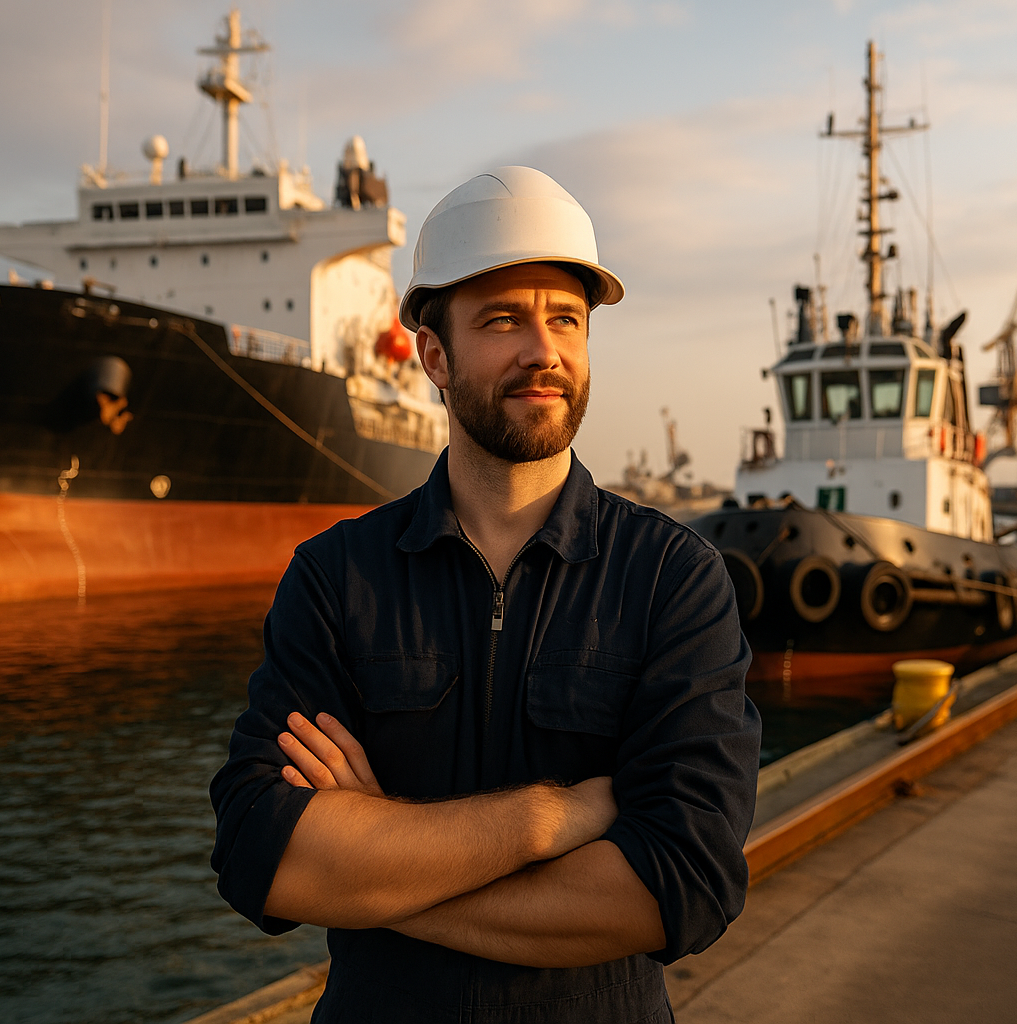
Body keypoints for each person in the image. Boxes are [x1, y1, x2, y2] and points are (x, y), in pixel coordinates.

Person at [210, 166, 761, 1023]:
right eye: (503, 320)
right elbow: (259, 854)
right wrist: (552, 818)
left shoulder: (673, 578)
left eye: (566, 320)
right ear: (433, 353)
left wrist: (370, 866)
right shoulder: (334, 577)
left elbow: (683, 887)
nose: (542, 350)